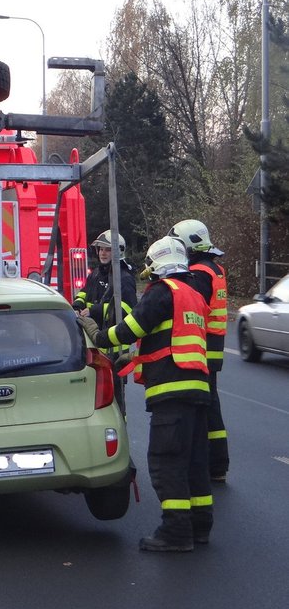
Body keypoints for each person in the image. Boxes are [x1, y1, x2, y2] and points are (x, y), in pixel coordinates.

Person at [77, 236, 212, 552]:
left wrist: (94, 330)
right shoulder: (192, 294)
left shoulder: (162, 293)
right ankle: (200, 526)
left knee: (167, 462)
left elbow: (126, 330)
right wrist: (135, 357)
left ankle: (176, 533)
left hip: (170, 392)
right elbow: (169, 338)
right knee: (194, 461)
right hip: (197, 390)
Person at [169, 219, 229, 482]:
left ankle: (213, 464)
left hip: (202, 347)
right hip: (213, 346)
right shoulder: (213, 268)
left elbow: (192, 307)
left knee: (205, 407)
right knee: (211, 404)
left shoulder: (200, 273)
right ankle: (217, 464)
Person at [73, 230, 137, 413]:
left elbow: (127, 310)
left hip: (114, 350)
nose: (102, 253)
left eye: (108, 249)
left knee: (116, 403)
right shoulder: (96, 274)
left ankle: (120, 432)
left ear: (118, 251)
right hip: (94, 344)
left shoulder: (123, 278)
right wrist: (78, 304)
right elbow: (85, 292)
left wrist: (94, 311)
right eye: (100, 249)